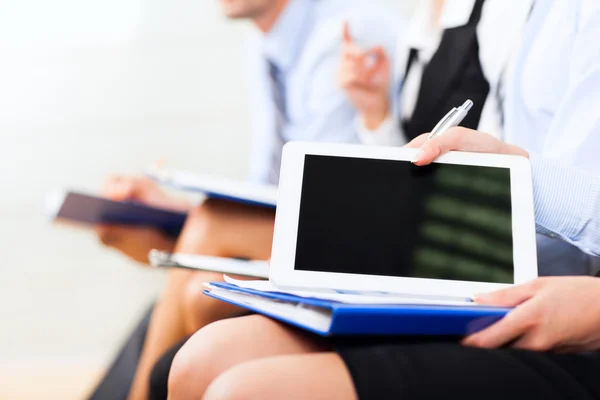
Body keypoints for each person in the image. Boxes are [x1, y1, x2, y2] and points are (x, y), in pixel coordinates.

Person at [166, 0, 600, 398]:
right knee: (197, 359)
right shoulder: (495, 20)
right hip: (463, 266)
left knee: (237, 382)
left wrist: (514, 173)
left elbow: (564, 215)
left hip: (522, 281)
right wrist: (377, 118)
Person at [90, 1, 398, 399]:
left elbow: (321, 205)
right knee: (198, 285)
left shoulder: (348, 32)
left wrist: (199, 224)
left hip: (357, 244)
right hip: (307, 233)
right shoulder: (265, 48)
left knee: (202, 269)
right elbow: (265, 193)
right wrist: (167, 215)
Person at [339, 0, 598, 276]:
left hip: (545, 278)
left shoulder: (551, 15)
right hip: (473, 259)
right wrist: (377, 115)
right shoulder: (423, 31)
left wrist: (510, 172)